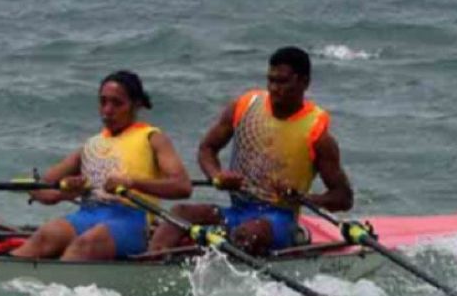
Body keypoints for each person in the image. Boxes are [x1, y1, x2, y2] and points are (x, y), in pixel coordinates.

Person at [149, 46, 353, 255]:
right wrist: (217, 176)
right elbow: (207, 149)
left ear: (304, 82)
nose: (274, 88)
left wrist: (304, 198)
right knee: (179, 213)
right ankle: (152, 266)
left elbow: (343, 198)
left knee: (248, 233)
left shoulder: (318, 135)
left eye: (282, 81)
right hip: (237, 212)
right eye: (270, 80)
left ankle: (294, 237)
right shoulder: (246, 106)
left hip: (279, 219)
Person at [11, 71, 192, 261]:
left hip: (131, 221)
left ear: (136, 105)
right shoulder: (91, 146)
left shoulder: (153, 138)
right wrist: (68, 192)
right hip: (88, 214)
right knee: (45, 235)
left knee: (86, 244)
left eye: (117, 103)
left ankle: (55, 286)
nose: (107, 110)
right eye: (103, 102)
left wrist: (131, 183)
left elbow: (182, 186)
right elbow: (44, 190)